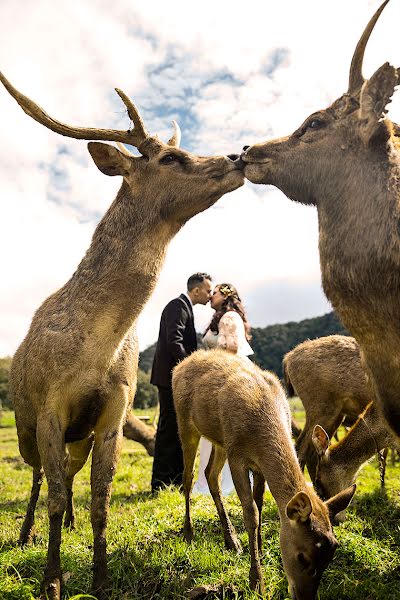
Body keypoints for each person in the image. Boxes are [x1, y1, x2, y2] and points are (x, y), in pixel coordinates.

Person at [150, 272, 213, 493]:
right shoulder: (177, 306)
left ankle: (174, 479)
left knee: (177, 428)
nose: (210, 294)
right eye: (207, 290)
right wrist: (191, 367)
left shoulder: (185, 307)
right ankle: (160, 483)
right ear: (196, 290)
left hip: (176, 378)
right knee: (168, 429)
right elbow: (173, 340)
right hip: (170, 378)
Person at [193, 282, 253, 495]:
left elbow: (232, 347)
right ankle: (209, 480)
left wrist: (210, 362)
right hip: (218, 375)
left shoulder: (229, 317)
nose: (210, 296)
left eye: (214, 293)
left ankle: (224, 483)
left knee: (223, 429)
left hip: (228, 377)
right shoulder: (221, 317)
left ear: (225, 295)